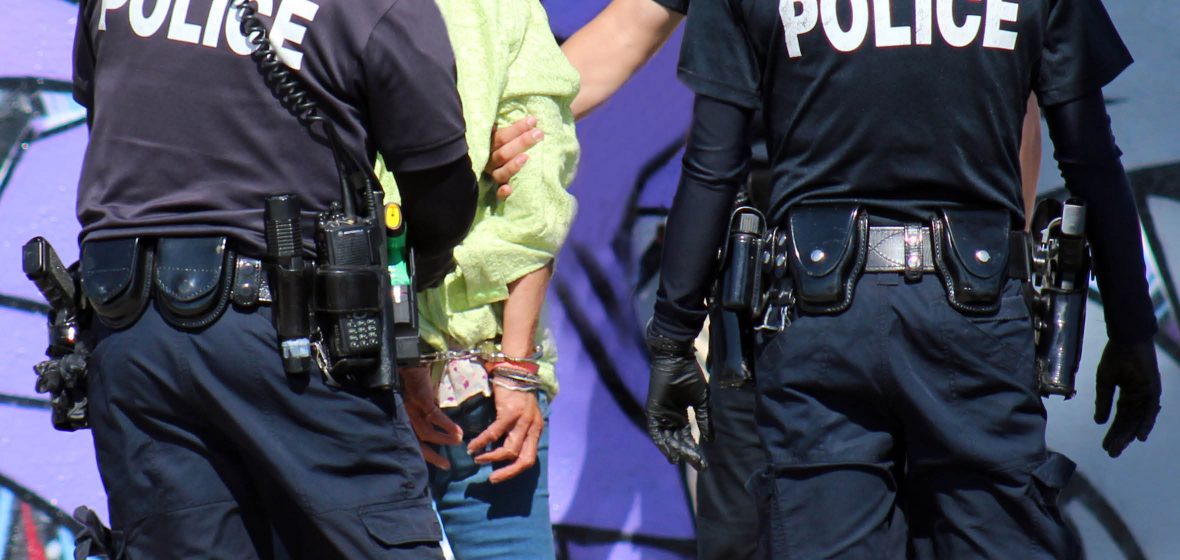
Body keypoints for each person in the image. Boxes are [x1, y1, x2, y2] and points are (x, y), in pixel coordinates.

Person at [643, 1, 1162, 558]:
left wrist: (673, 336)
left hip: (816, 321)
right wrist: (1132, 330)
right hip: (977, 317)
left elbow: (712, 165)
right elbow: (1091, 161)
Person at [69, 0, 478, 556]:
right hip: (288, 341)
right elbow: (441, 194)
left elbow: (109, 116)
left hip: (129, 332)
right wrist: (400, 302)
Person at [379, 0, 579, 557]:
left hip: (354, 373)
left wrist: (405, 353)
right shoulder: (503, 9)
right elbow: (538, 197)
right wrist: (516, 369)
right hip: (487, 380)